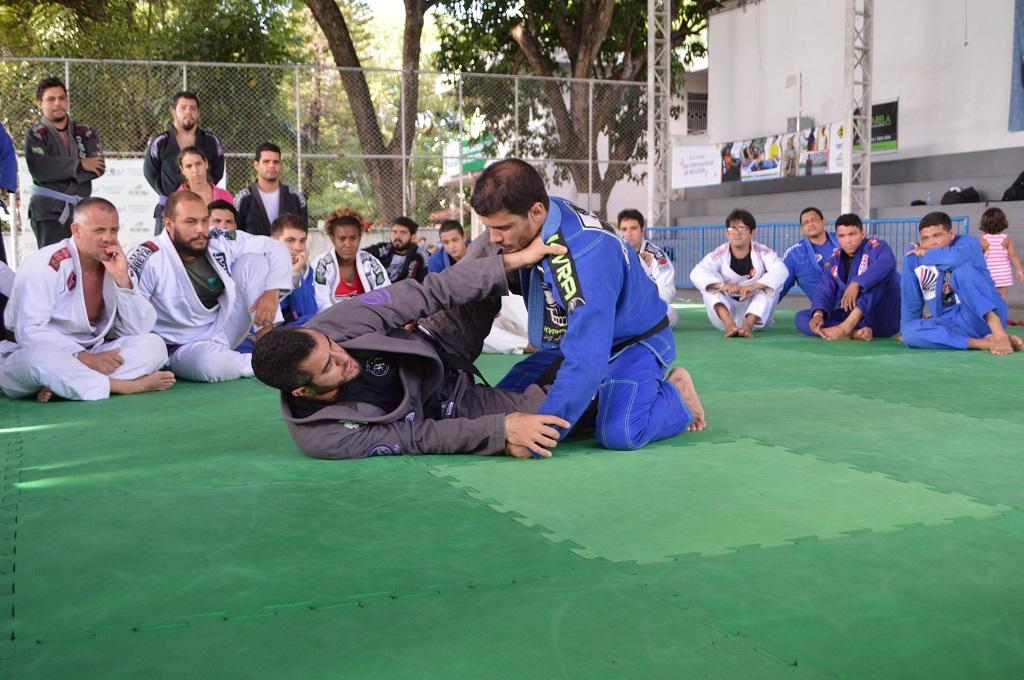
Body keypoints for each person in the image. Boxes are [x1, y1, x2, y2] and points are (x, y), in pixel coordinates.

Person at [251, 238, 575, 459]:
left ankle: (578, 299)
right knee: (551, 415)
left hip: (437, 338)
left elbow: (428, 293)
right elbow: (416, 437)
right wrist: (499, 432)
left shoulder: (334, 322)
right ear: (302, 391)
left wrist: (513, 261)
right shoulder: (324, 437)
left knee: (495, 243)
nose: (343, 358)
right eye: (328, 367)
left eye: (331, 347)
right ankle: (589, 376)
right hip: (447, 407)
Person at [471, 158, 704, 456]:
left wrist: (543, 435)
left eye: (503, 227)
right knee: (500, 406)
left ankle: (676, 394)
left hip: (634, 343)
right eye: (489, 227)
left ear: (536, 212)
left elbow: (587, 358)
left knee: (620, 432)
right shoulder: (544, 213)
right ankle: (603, 397)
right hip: (573, 342)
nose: (493, 238)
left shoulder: (585, 259)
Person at [0, 197, 174, 402]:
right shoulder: (44, 264)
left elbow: (137, 329)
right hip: (33, 354)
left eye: (114, 230)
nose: (108, 238)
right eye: (99, 230)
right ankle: (124, 386)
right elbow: (29, 331)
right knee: (40, 359)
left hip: (93, 352)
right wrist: (85, 359)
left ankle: (64, 385)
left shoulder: (114, 263)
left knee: (154, 345)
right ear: (76, 230)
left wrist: (122, 280)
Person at [127, 190, 292, 382]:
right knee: (209, 364)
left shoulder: (217, 238)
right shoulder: (147, 257)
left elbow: (274, 247)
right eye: (191, 222)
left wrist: (272, 290)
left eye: (204, 221)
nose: (200, 229)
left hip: (222, 328)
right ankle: (261, 364)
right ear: (169, 224)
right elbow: (133, 321)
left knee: (254, 262)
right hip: (180, 348)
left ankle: (268, 348)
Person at [901, 211, 1022, 355]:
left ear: (951, 233)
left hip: (981, 317)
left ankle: (999, 334)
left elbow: (952, 259)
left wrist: (926, 254)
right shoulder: (913, 257)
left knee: (962, 271)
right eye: (925, 238)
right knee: (910, 332)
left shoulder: (968, 244)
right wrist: (907, 330)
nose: (931, 243)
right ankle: (985, 343)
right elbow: (911, 299)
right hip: (951, 323)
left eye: (937, 235)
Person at [24, 77, 106, 248]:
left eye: (62, 98)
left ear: (67, 101)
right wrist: (80, 164)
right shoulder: (35, 134)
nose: (57, 103)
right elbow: (40, 169)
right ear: (40, 103)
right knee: (53, 261)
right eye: (51, 99)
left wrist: (57, 170)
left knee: (83, 261)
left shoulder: (84, 131)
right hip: (48, 210)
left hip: (81, 212)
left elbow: (97, 167)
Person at [797, 213, 900, 341]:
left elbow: (887, 262)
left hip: (882, 318)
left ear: (862, 233)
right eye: (842, 236)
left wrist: (857, 283)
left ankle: (845, 328)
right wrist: (818, 314)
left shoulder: (875, 246)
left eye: (852, 234)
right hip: (855, 320)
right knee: (802, 317)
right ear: (837, 237)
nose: (847, 241)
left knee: (882, 277)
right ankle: (855, 333)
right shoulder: (834, 260)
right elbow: (825, 289)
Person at [689, 209, 789, 337]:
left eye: (742, 228)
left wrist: (755, 286)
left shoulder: (762, 251)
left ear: (752, 232)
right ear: (727, 233)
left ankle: (747, 325)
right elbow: (696, 272)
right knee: (710, 286)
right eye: (732, 229)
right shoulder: (719, 253)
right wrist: (723, 286)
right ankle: (730, 325)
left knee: (771, 286)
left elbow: (781, 270)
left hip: (757, 316)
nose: (737, 233)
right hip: (726, 313)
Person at [144, 91, 224, 235]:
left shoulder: (211, 141)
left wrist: (200, 191)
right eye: (183, 108)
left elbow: (217, 171)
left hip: (204, 210)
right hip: (169, 210)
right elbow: (150, 173)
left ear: (198, 113)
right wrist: (169, 194)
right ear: (173, 112)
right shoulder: (160, 142)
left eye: (193, 108)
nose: (188, 112)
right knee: (166, 249)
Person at [312, 208, 390, 312]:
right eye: (342, 238)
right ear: (332, 238)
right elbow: (321, 306)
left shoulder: (370, 263)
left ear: (360, 237)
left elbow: (385, 297)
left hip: (368, 320)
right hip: (331, 321)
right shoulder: (321, 265)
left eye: (353, 238)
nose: (348, 244)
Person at [616, 208, 678, 326]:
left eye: (633, 228)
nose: (628, 234)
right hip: (620, 305)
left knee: (669, 313)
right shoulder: (613, 253)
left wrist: (642, 304)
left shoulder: (656, 256)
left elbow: (666, 290)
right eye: (624, 229)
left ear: (642, 230)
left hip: (646, 305)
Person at [234, 142, 308, 237]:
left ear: (281, 165)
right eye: (266, 161)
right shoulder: (242, 198)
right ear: (256, 165)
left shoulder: (296, 198)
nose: (271, 166)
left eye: (275, 162)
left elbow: (302, 234)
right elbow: (236, 236)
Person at [778, 207, 840, 302]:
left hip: (858, 303)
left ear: (824, 221)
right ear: (802, 229)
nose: (810, 224)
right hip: (824, 308)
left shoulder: (842, 239)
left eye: (814, 220)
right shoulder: (794, 254)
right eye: (806, 222)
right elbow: (779, 287)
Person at [272, 213, 318, 326]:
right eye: (290, 240)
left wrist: (296, 273)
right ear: (273, 242)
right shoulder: (259, 267)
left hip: (293, 330)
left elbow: (308, 312)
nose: (298, 248)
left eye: (302, 241)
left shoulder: (305, 270)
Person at [978, 207, 1024, 301]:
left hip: (988, 273)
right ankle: (1001, 310)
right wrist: (1019, 270)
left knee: (988, 297)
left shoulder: (983, 239)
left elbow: (978, 257)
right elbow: (1013, 255)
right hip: (1003, 274)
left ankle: (992, 310)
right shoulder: (1006, 238)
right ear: (1003, 222)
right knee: (1002, 298)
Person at [364, 216, 428, 283]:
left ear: (412, 237)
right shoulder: (381, 249)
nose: (397, 236)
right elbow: (360, 256)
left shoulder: (419, 256)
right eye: (394, 232)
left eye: (403, 232)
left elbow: (422, 283)